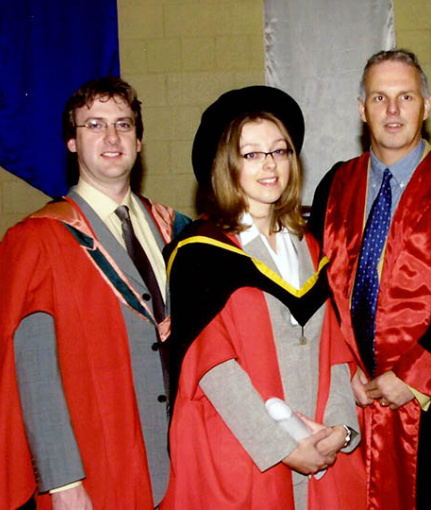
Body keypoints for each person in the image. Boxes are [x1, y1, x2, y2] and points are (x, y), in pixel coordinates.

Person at [309, 49, 431, 509]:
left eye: (406, 97)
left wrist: (417, 378)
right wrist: (345, 371)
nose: (393, 110)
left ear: (427, 104)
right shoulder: (334, 186)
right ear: (362, 110)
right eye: (380, 98)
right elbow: (319, 297)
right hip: (355, 408)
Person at [161, 86, 365, 509]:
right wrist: (285, 447)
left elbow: (335, 354)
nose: (270, 165)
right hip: (247, 459)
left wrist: (340, 432)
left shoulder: (309, 247)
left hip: (321, 459)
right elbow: (215, 371)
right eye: (251, 154)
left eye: (280, 151)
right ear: (227, 165)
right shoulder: (201, 253)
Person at [0, 77, 190, 509]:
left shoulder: (175, 227)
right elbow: (34, 375)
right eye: (94, 125)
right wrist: (63, 481)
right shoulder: (38, 240)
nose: (111, 137)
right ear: (71, 142)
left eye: (123, 125)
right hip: (98, 462)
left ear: (139, 141)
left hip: (181, 460)